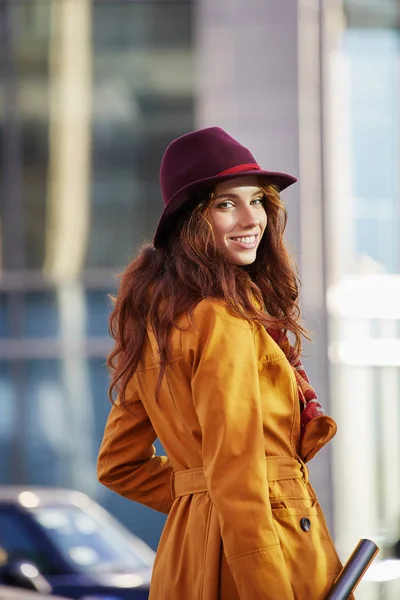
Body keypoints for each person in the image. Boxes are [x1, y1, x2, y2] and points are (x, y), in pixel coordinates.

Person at [97, 127, 348, 600]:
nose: (250, 218)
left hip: (190, 560)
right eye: (225, 204)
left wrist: (199, 498)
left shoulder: (160, 324)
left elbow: (118, 465)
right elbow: (237, 471)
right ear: (191, 221)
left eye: (257, 200)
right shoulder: (223, 318)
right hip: (259, 561)